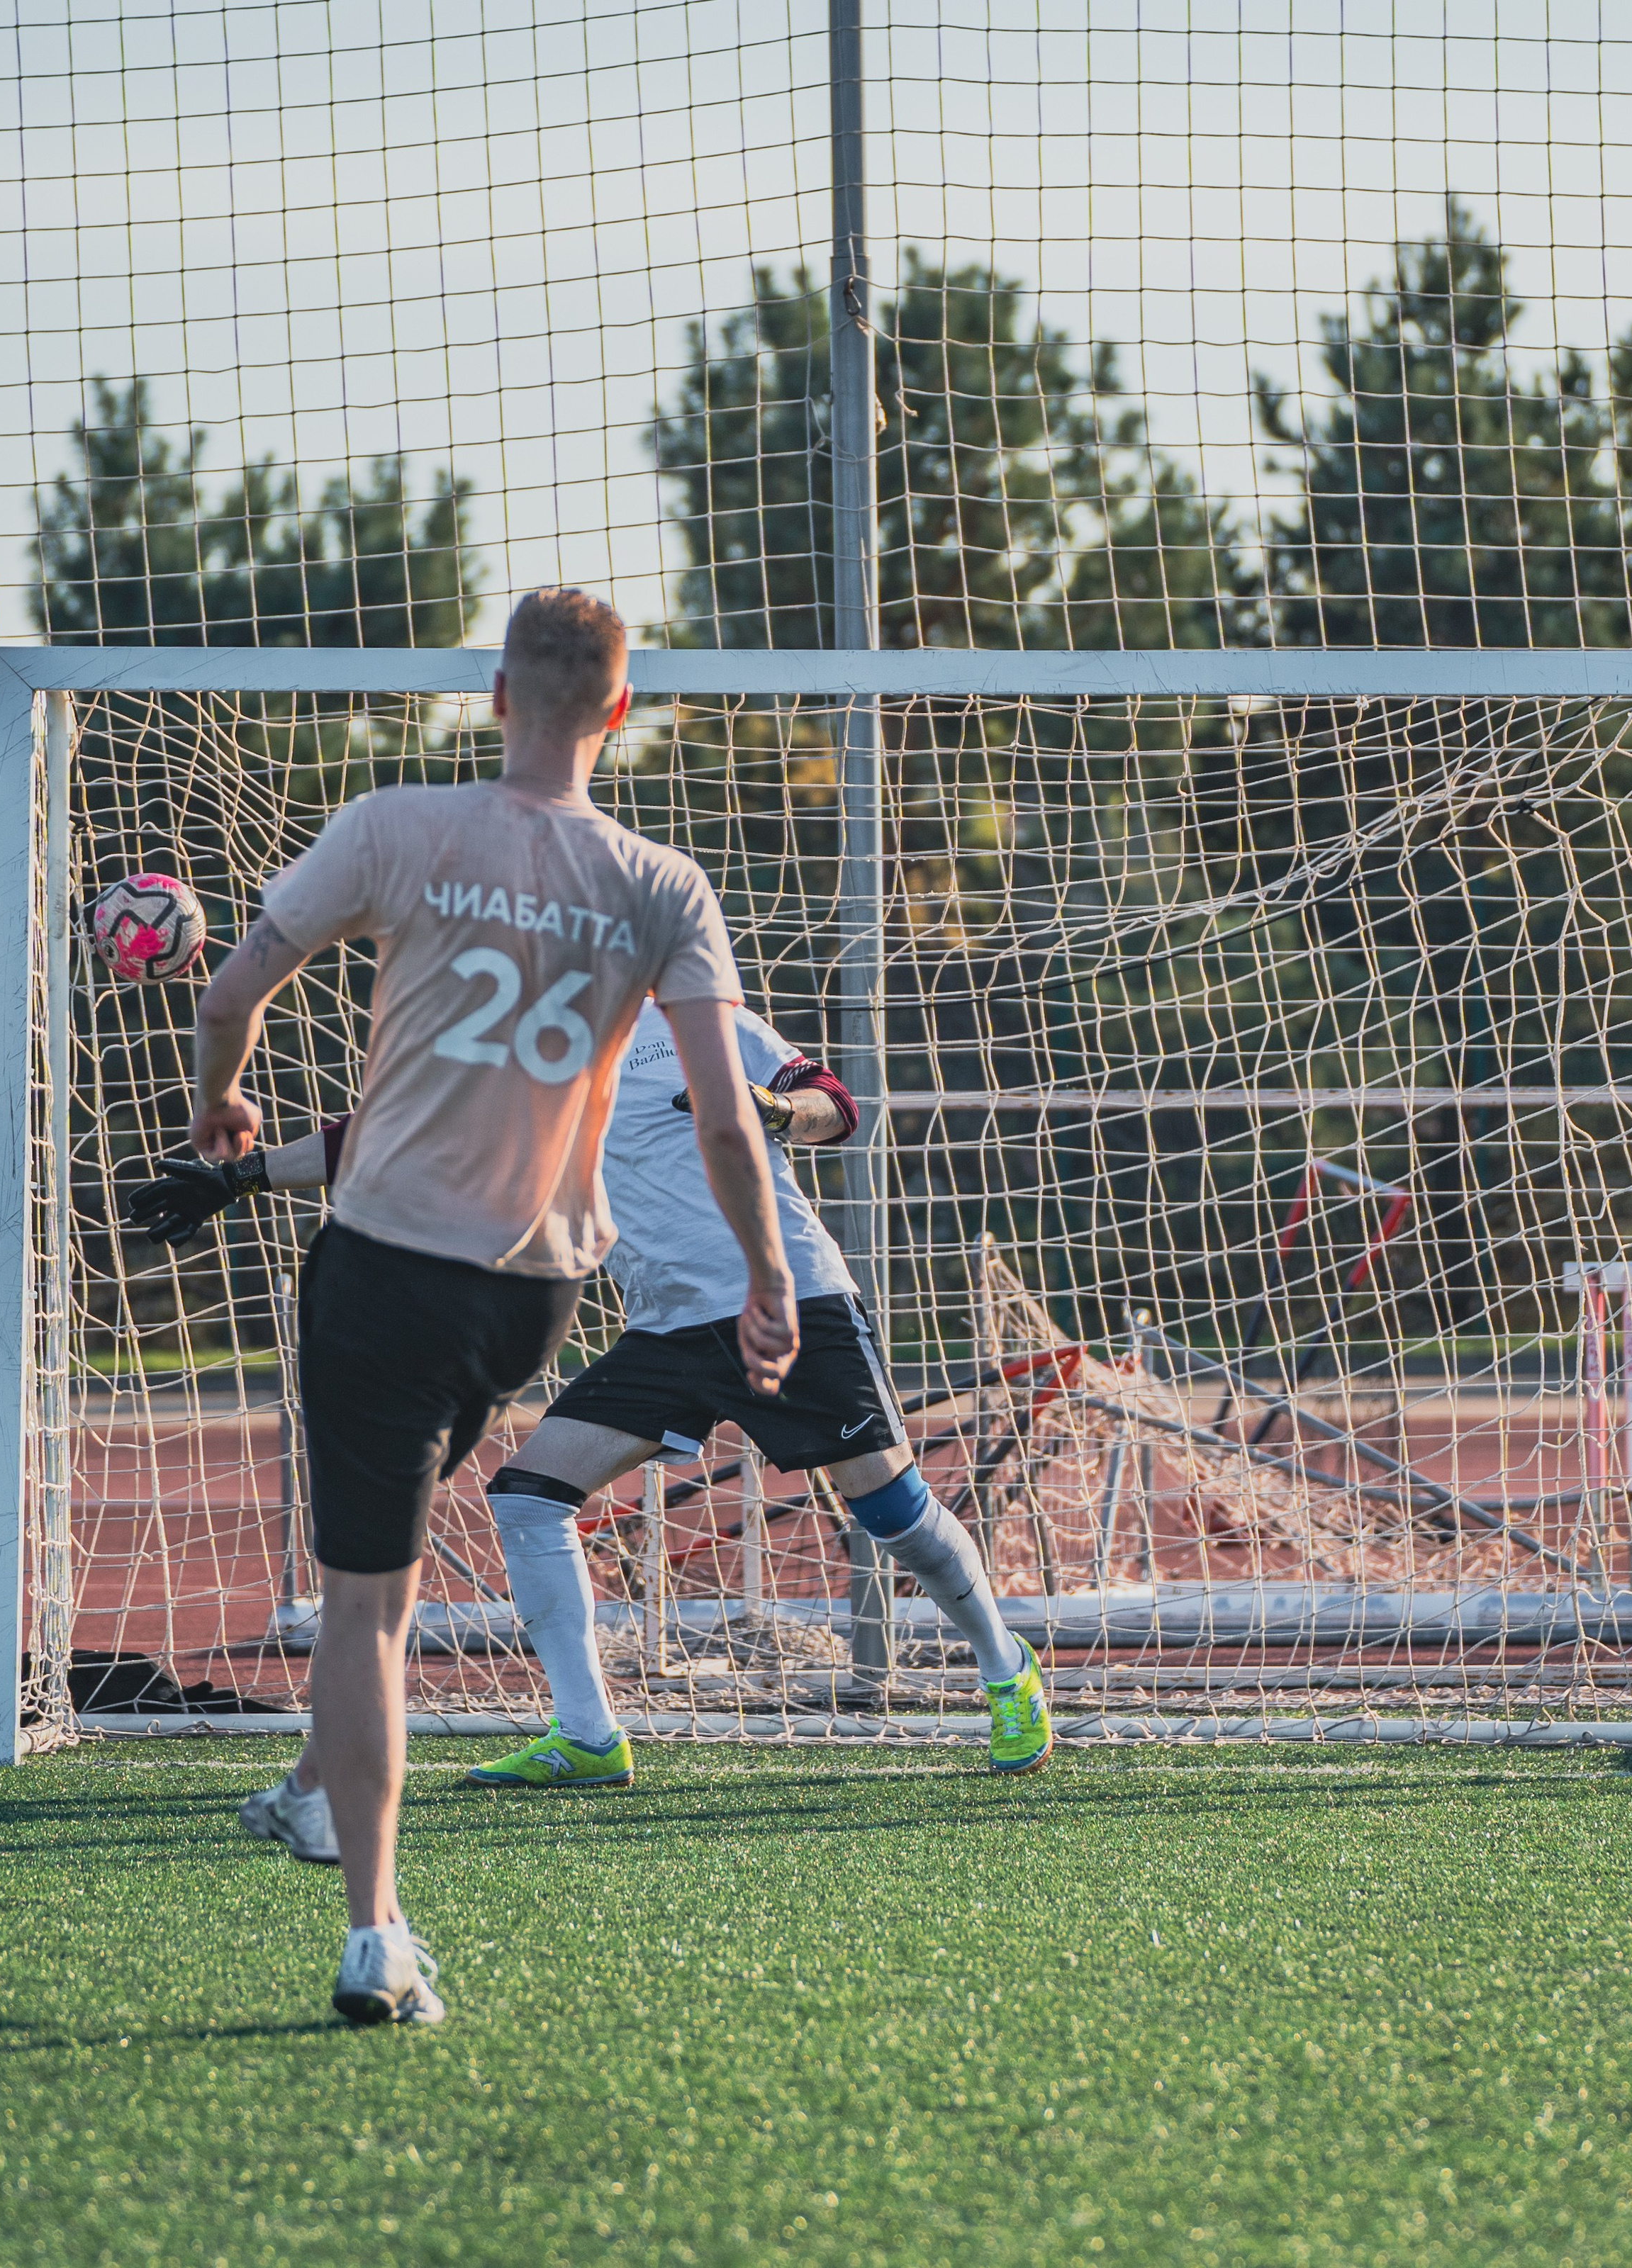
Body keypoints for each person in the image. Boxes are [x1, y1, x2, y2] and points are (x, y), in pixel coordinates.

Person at [172, 588, 798, 2027]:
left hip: (386, 1265)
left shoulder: (397, 823)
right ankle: (313, 1791)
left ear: (497, 694)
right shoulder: (663, 884)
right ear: (619, 709)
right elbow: (722, 1117)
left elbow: (229, 992)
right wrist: (767, 1275)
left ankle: (373, 1925)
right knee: (376, 1579)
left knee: (367, 1601)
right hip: (536, 1294)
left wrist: (219, 1107)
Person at [133, 998, 1051, 1815]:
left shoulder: (703, 1023)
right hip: (667, 1330)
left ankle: (1008, 1672)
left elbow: (833, 1105)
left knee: (890, 1511)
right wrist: (237, 1180)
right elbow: (385, 1133)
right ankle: (587, 1734)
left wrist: (772, 1110)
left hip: (790, 1299)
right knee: (530, 1495)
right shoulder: (531, 1060)